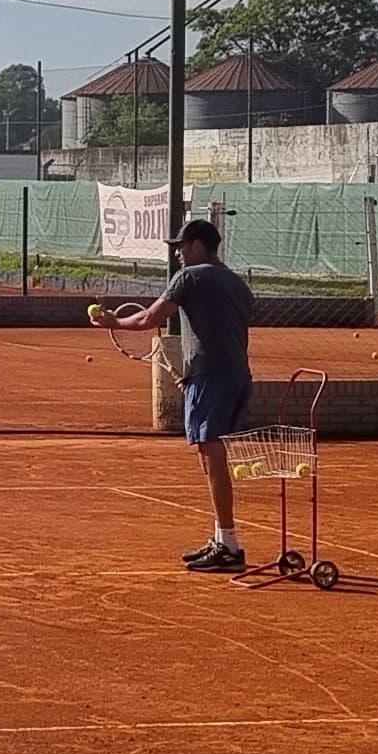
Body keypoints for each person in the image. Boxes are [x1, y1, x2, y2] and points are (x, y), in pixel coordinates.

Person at [96, 215, 255, 571]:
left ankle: (229, 545)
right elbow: (224, 330)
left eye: (182, 247)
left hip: (213, 379)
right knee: (208, 453)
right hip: (234, 376)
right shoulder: (237, 284)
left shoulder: (190, 277)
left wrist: (112, 323)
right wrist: (194, 373)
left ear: (197, 246)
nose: (178, 255)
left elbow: (147, 318)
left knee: (212, 455)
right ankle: (221, 539)